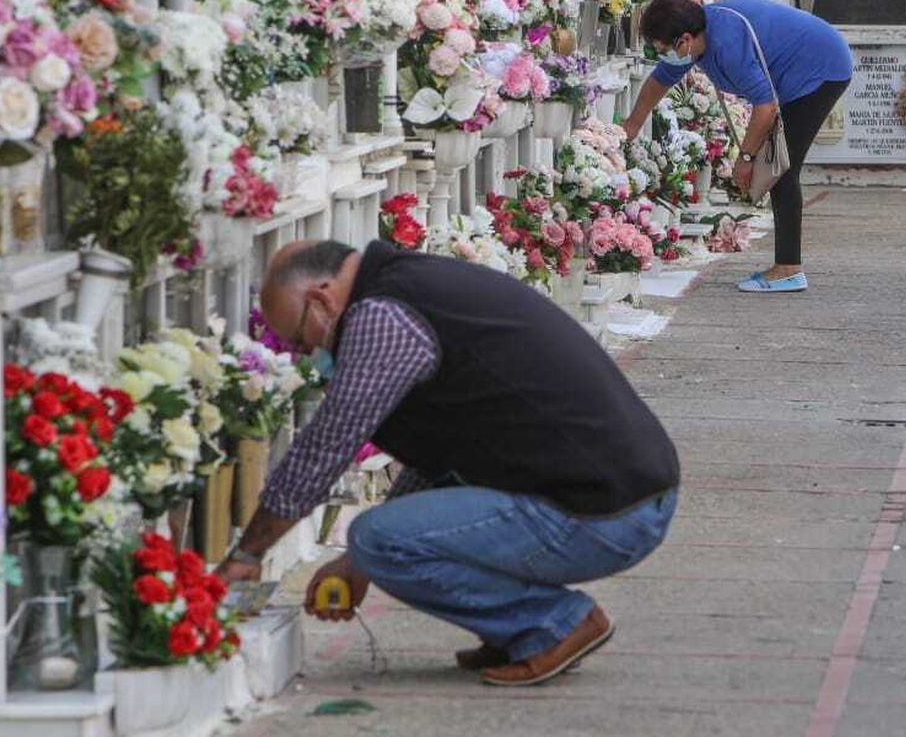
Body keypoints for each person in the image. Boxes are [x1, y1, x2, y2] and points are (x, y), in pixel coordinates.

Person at [214, 239, 681, 687]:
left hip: (604, 512)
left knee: (376, 538)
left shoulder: (382, 317)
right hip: (623, 494)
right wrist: (356, 565)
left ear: (321, 297)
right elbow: (444, 459)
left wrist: (247, 553)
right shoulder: (408, 286)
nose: (305, 354)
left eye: (299, 336)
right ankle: (515, 632)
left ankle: (556, 625)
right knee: (374, 544)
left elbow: (325, 447)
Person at [621, 0, 853, 294]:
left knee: (782, 169)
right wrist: (631, 126)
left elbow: (765, 107)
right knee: (777, 167)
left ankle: (788, 269)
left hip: (820, 69)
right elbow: (659, 81)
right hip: (805, 64)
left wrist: (745, 159)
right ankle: (787, 266)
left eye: (662, 49)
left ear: (685, 41)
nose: (661, 56)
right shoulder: (694, 39)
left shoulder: (727, 43)